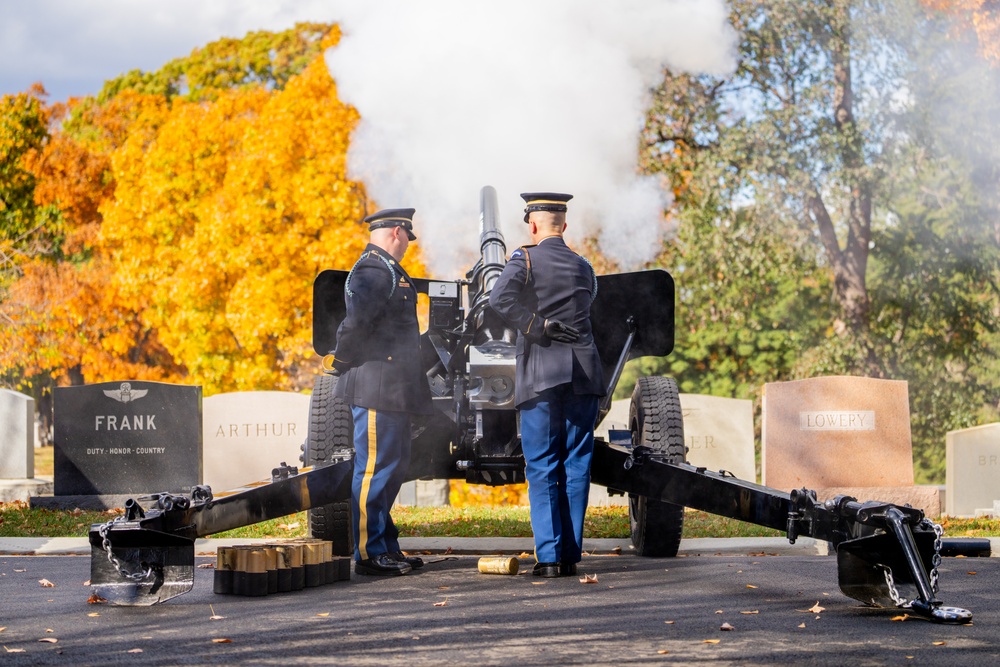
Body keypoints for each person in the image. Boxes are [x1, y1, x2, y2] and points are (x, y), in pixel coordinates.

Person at [488, 192, 605, 578]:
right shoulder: (584, 266)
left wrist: (536, 326)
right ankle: (570, 554)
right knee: (577, 464)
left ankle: (551, 557)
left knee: (542, 466)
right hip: (584, 374)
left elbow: (499, 299)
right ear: (565, 225)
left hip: (541, 375)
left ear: (532, 225)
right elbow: (588, 305)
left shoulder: (524, 259)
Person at [325, 208, 432, 576]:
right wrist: (340, 361)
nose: (407, 246)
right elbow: (355, 324)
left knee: (393, 467)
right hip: (377, 387)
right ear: (398, 232)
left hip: (395, 388)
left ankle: (386, 544)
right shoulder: (373, 269)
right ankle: (369, 553)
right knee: (374, 470)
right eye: (407, 238)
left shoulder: (386, 269)